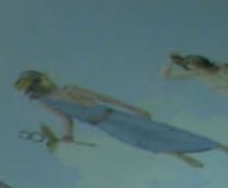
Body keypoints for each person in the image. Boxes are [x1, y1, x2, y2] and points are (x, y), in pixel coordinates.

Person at [15, 70, 226, 168]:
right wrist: (68, 135)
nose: (45, 81)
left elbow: (105, 98)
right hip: (104, 125)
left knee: (161, 131)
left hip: (114, 115)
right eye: (39, 83)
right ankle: (180, 155)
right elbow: (66, 119)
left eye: (41, 80)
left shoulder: (70, 89)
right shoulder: (47, 102)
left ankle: (215, 146)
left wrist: (134, 109)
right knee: (139, 141)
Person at [162, 53, 228, 96]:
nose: (193, 69)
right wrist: (171, 62)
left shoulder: (221, 67)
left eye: (195, 67)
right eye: (191, 67)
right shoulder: (196, 73)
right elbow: (166, 76)